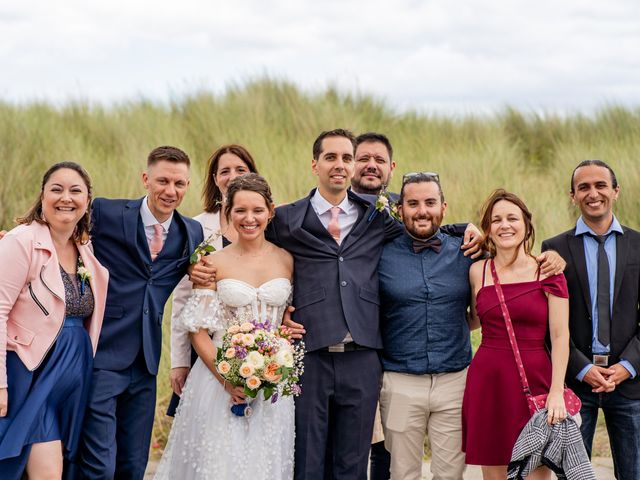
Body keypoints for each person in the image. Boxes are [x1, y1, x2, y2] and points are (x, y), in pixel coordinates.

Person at [271, 129, 481, 480]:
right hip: (311, 351)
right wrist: (276, 312)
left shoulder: (376, 219)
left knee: (354, 461)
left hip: (365, 354)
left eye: (346, 158)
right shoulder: (286, 219)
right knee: (308, 455)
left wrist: (470, 228)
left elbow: (425, 224)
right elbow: (253, 253)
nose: (340, 165)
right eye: (331, 158)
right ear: (314, 164)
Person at [77, 146, 208, 479]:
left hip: (147, 362)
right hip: (103, 355)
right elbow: (61, 229)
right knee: (99, 465)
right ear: (146, 179)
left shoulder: (191, 232)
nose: (170, 191)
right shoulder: (106, 212)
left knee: (134, 465)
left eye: (179, 183)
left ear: (188, 185)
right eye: (162, 181)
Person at [154, 173, 295, 479]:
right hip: (219, 377)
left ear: (270, 212)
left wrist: (284, 332)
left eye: (257, 210)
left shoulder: (287, 260)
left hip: (273, 381)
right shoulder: (212, 263)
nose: (249, 218)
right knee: (220, 465)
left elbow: (290, 313)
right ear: (228, 214)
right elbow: (198, 330)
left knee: (264, 464)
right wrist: (226, 379)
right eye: (240, 210)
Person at [0, 162, 109, 479]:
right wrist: (1, 384)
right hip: (33, 374)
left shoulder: (85, 248)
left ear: (88, 200)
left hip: (74, 375)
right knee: (46, 470)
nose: (66, 198)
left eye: (76, 191)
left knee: (59, 463)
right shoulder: (20, 242)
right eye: (56, 189)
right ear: (42, 196)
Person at [462, 189, 570, 480]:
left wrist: (557, 392)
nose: (505, 225)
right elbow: (474, 320)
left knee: (535, 472)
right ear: (488, 228)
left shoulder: (548, 270)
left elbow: (560, 336)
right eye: (496, 220)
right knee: (494, 474)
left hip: (536, 381)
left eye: (512, 218)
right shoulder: (477, 271)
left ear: (526, 225)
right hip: (488, 381)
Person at [542, 160, 640, 479]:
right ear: (572, 196)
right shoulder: (554, 249)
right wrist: (582, 369)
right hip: (576, 380)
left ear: (616, 191)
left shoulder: (639, 245)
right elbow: (549, 325)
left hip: (629, 381)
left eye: (600, 185)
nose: (592, 193)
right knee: (572, 475)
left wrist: (626, 367)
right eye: (583, 187)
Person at [378, 172, 473, 480]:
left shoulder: (467, 251)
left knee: (451, 475)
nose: (422, 211)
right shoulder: (380, 254)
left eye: (430, 202)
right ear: (400, 209)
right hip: (400, 380)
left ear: (443, 207)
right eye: (413, 203)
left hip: (455, 379)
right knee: (403, 474)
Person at [167, 144, 258, 417]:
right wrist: (179, 361)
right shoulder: (194, 227)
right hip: (206, 346)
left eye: (240, 169)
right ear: (215, 179)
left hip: (253, 348)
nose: (232, 177)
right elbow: (182, 300)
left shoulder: (264, 224)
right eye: (224, 171)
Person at [351, 132, 397, 198]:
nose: (372, 166)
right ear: (350, 165)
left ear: (391, 168)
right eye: (364, 159)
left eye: (380, 160)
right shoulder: (334, 205)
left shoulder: (404, 206)